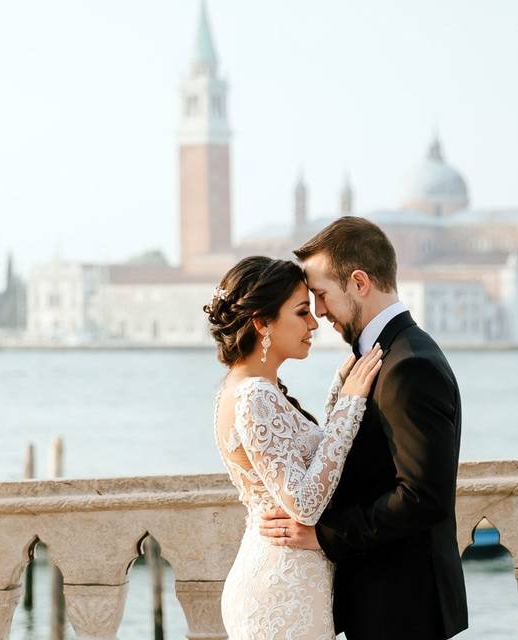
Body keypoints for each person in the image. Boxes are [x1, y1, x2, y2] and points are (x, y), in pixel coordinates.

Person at [258, 216, 468, 639]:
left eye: (321, 295)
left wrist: (323, 536)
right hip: (383, 600)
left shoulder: (408, 366)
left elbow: (423, 498)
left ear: (359, 282)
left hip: (401, 608)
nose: (318, 312)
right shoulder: (385, 355)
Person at [205, 255, 383, 639]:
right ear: (262, 322)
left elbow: (297, 458)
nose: (314, 323)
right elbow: (303, 503)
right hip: (281, 590)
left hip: (286, 579)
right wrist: (350, 406)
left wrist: (338, 394)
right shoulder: (254, 394)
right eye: (302, 312)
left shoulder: (245, 388)